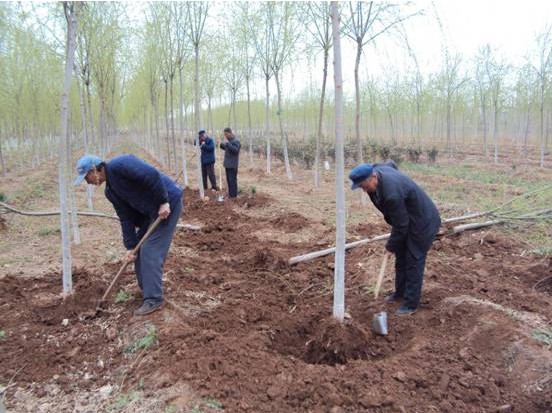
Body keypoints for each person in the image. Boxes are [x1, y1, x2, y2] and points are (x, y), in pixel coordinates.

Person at [74, 154, 183, 316]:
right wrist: (130, 246)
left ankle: (154, 299)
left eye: (86, 177)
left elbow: (151, 175)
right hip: (150, 212)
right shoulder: (110, 192)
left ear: (95, 170)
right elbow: (125, 218)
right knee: (138, 250)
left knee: (150, 250)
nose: (87, 182)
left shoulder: (121, 164)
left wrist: (163, 201)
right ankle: (147, 290)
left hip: (167, 204)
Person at [349, 161, 441, 316]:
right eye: (361, 187)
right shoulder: (377, 170)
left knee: (413, 260)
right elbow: (391, 164)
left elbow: (401, 225)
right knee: (401, 257)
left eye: (364, 186)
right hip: (407, 219)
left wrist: (390, 245)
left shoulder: (392, 195)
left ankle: (411, 304)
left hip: (422, 223)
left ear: (373, 177)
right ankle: (400, 293)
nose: (364, 190)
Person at [219, 127, 241, 198]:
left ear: (230, 133)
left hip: (232, 165)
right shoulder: (230, 142)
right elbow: (226, 147)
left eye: (226, 134)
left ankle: (233, 196)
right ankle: (231, 195)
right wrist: (220, 144)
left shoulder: (236, 141)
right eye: (224, 135)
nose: (225, 136)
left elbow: (236, 150)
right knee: (229, 181)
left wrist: (228, 144)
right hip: (227, 165)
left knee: (232, 181)